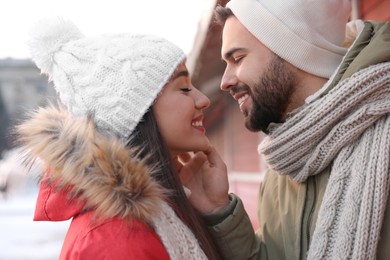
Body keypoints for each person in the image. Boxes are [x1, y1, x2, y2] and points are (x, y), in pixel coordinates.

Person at [178, 0, 390, 259]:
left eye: (237, 59)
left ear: (294, 50)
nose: (225, 81)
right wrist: (219, 210)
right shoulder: (283, 165)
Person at [15, 18, 223, 260]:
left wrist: (217, 210)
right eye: (184, 88)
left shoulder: (164, 211)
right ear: (133, 113)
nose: (203, 100)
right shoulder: (114, 242)